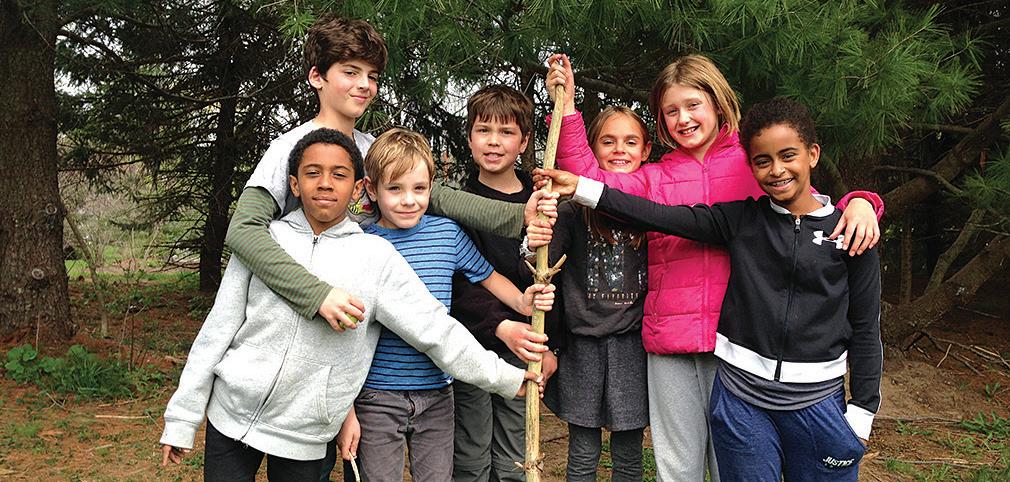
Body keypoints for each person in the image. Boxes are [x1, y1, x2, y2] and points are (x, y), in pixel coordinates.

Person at [222, 16, 554, 480]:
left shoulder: (372, 149)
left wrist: (520, 214)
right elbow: (243, 231)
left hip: (354, 348)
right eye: (350, 72)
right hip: (292, 332)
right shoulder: (290, 149)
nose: (364, 85)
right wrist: (315, 294)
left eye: (372, 75)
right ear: (317, 76)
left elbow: (440, 198)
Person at [542, 53, 883, 481]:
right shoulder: (654, 177)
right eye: (671, 111)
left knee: (734, 465)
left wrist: (862, 203)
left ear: (718, 103)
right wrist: (568, 109)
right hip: (671, 340)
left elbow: (806, 201)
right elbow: (593, 182)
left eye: (693, 105)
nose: (683, 119)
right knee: (677, 466)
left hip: (739, 345)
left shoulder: (752, 160)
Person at [160, 128, 546, 481]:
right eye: (312, 173)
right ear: (294, 184)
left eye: (339, 175)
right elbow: (217, 331)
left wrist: (503, 377)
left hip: (306, 430)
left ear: (358, 187)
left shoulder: (373, 256)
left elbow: (436, 330)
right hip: (231, 415)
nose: (325, 183)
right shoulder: (265, 243)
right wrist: (182, 418)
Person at [336, 128, 556, 482]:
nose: (409, 200)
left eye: (419, 189)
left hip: (438, 390)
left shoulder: (446, 233)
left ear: (432, 187)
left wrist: (522, 301)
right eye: (395, 189)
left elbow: (488, 277)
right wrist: (347, 405)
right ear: (371, 190)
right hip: (378, 394)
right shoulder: (361, 243)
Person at [529, 106, 651, 481]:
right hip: (582, 348)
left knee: (628, 453)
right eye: (608, 141)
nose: (619, 150)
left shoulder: (651, 209)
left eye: (630, 142)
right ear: (592, 149)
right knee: (583, 452)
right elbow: (542, 268)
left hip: (633, 348)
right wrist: (533, 238)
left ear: (646, 150)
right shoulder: (571, 212)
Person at [449, 84, 561, 482]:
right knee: (471, 454)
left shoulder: (544, 205)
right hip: (472, 349)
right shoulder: (457, 206)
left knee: (515, 453)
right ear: (469, 138)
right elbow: (459, 283)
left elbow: (553, 282)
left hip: (524, 352)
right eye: (483, 130)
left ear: (524, 141)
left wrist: (550, 346)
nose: (494, 141)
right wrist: (500, 325)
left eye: (506, 132)